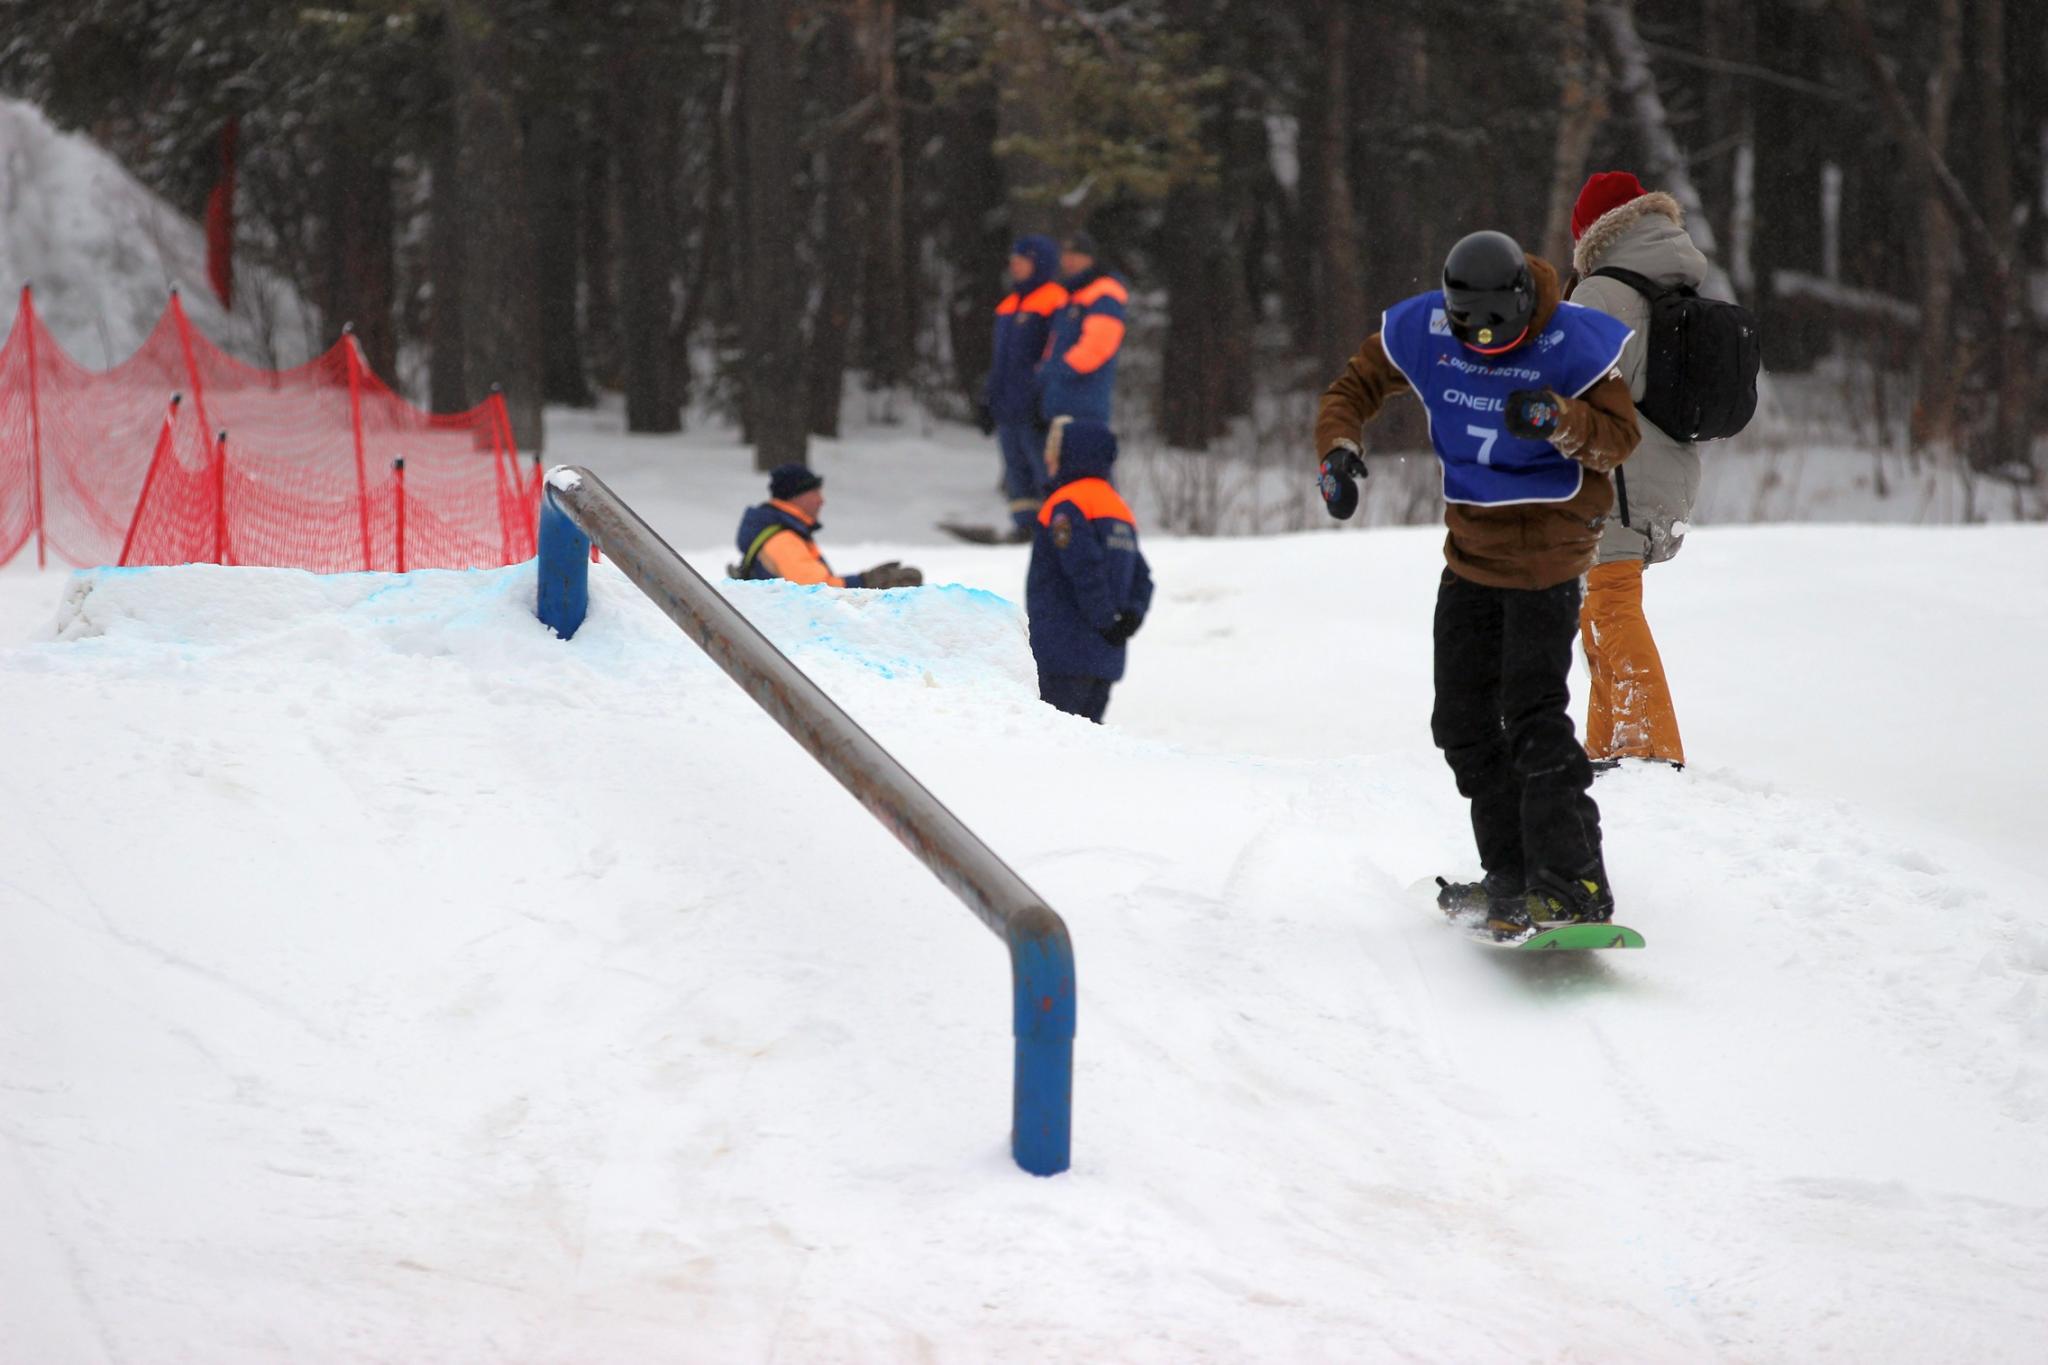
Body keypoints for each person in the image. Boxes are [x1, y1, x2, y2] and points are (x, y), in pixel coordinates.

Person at [1314, 229, 1641, 937]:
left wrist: (1561, 419)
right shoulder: (1425, 330)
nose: (1489, 341)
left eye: (1504, 330)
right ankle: (1513, 875)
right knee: (1460, 723)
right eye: (1475, 333)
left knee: (1531, 717)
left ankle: (1575, 881)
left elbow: (1619, 439)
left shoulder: (1571, 342)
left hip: (1549, 552)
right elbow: (1355, 386)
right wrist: (1337, 452)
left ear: (1525, 300)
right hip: (1470, 553)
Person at [1566, 171, 1705, 769]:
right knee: (1600, 606)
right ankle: (1610, 748)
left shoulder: (1601, 291)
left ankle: (1651, 750)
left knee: (1612, 602)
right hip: (1664, 468)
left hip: (1618, 474)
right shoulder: (1672, 280)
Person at [1026, 417, 1152, 723]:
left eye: (1055, 451)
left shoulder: (1066, 504)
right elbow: (1142, 577)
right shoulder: (1118, 507)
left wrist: (1104, 620)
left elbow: (1083, 567)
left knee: (1054, 745)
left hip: (1064, 653)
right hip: (1106, 659)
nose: (1049, 459)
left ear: (1071, 454)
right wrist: (1129, 620)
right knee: (1088, 748)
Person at [983, 235, 1069, 537]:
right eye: (1013, 260)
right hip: (1009, 406)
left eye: (1022, 260)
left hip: (1036, 406)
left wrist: (1044, 397)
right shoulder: (1007, 306)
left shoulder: (1055, 300)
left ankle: (1055, 529)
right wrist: (989, 397)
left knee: (1044, 469)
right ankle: (1024, 529)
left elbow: (1055, 356)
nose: (1014, 265)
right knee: (1015, 471)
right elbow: (1000, 360)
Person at [732, 463, 921, 589]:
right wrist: (867, 583)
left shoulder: (783, 531)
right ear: (796, 496)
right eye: (815, 493)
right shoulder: (782, 540)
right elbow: (817, 593)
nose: (821, 501)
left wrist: (864, 580)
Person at [1039, 230, 1128, 425]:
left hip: (1084, 402)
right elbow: (1053, 343)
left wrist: (1059, 371)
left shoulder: (1104, 292)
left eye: (1076, 255)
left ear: (1090, 258)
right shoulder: (1069, 294)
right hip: (1059, 400)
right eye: (1066, 255)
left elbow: (1097, 347)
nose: (1069, 261)